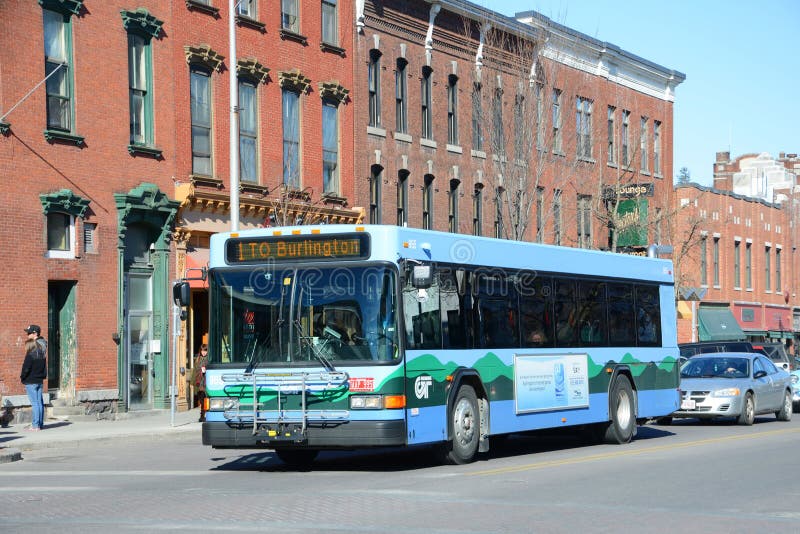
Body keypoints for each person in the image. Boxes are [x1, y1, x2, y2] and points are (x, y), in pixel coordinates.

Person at [20, 324, 47, 431]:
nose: (27, 335)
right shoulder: (41, 351)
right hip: (39, 379)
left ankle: (35, 425)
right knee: (39, 402)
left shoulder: (31, 353)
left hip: (31, 380)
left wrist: (22, 377)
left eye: (29, 333)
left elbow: (26, 368)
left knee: (35, 403)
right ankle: (39, 424)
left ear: (35, 333)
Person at [192, 344, 209, 422]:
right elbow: (194, 371)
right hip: (199, 383)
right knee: (202, 400)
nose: (204, 352)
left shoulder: (209, 359)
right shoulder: (197, 359)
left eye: (205, 350)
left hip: (206, 382)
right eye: (202, 350)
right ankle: (202, 416)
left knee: (206, 400)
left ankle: (206, 415)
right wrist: (193, 382)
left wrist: (206, 370)